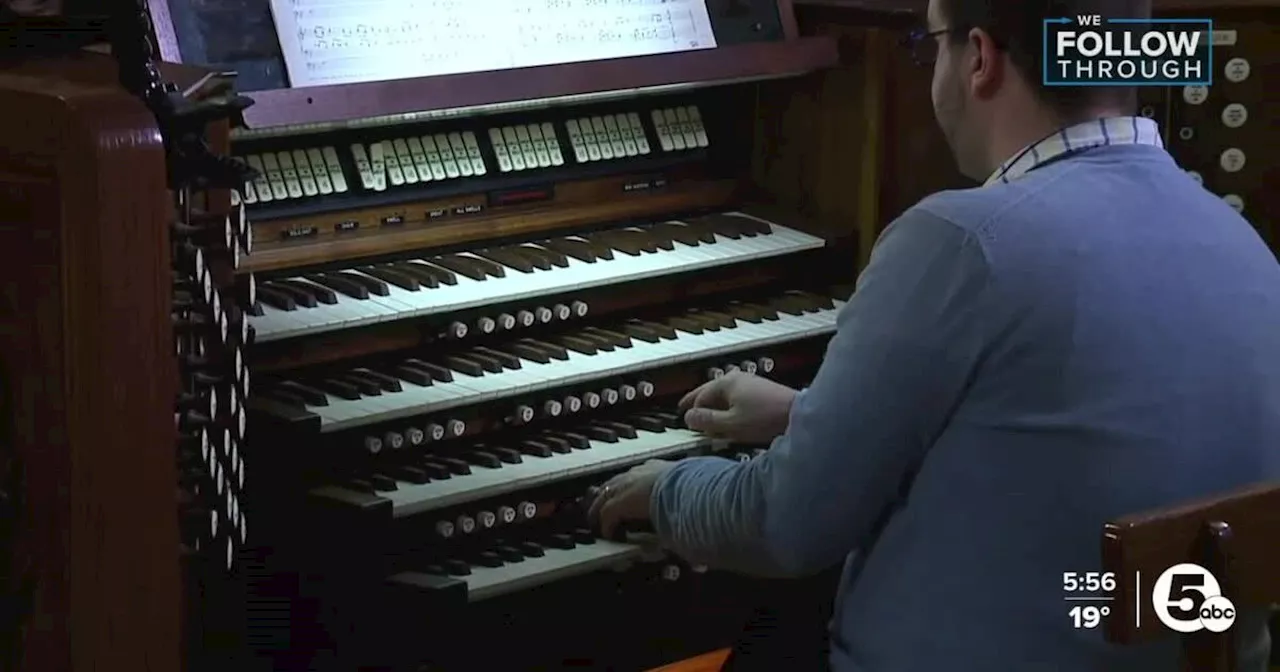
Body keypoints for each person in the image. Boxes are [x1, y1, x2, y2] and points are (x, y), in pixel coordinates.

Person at [586, 0, 1280, 669]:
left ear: (978, 56)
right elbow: (1067, 437)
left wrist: (667, 490)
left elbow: (783, 525)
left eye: (929, 42)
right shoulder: (1245, 247)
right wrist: (810, 416)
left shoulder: (961, 241)